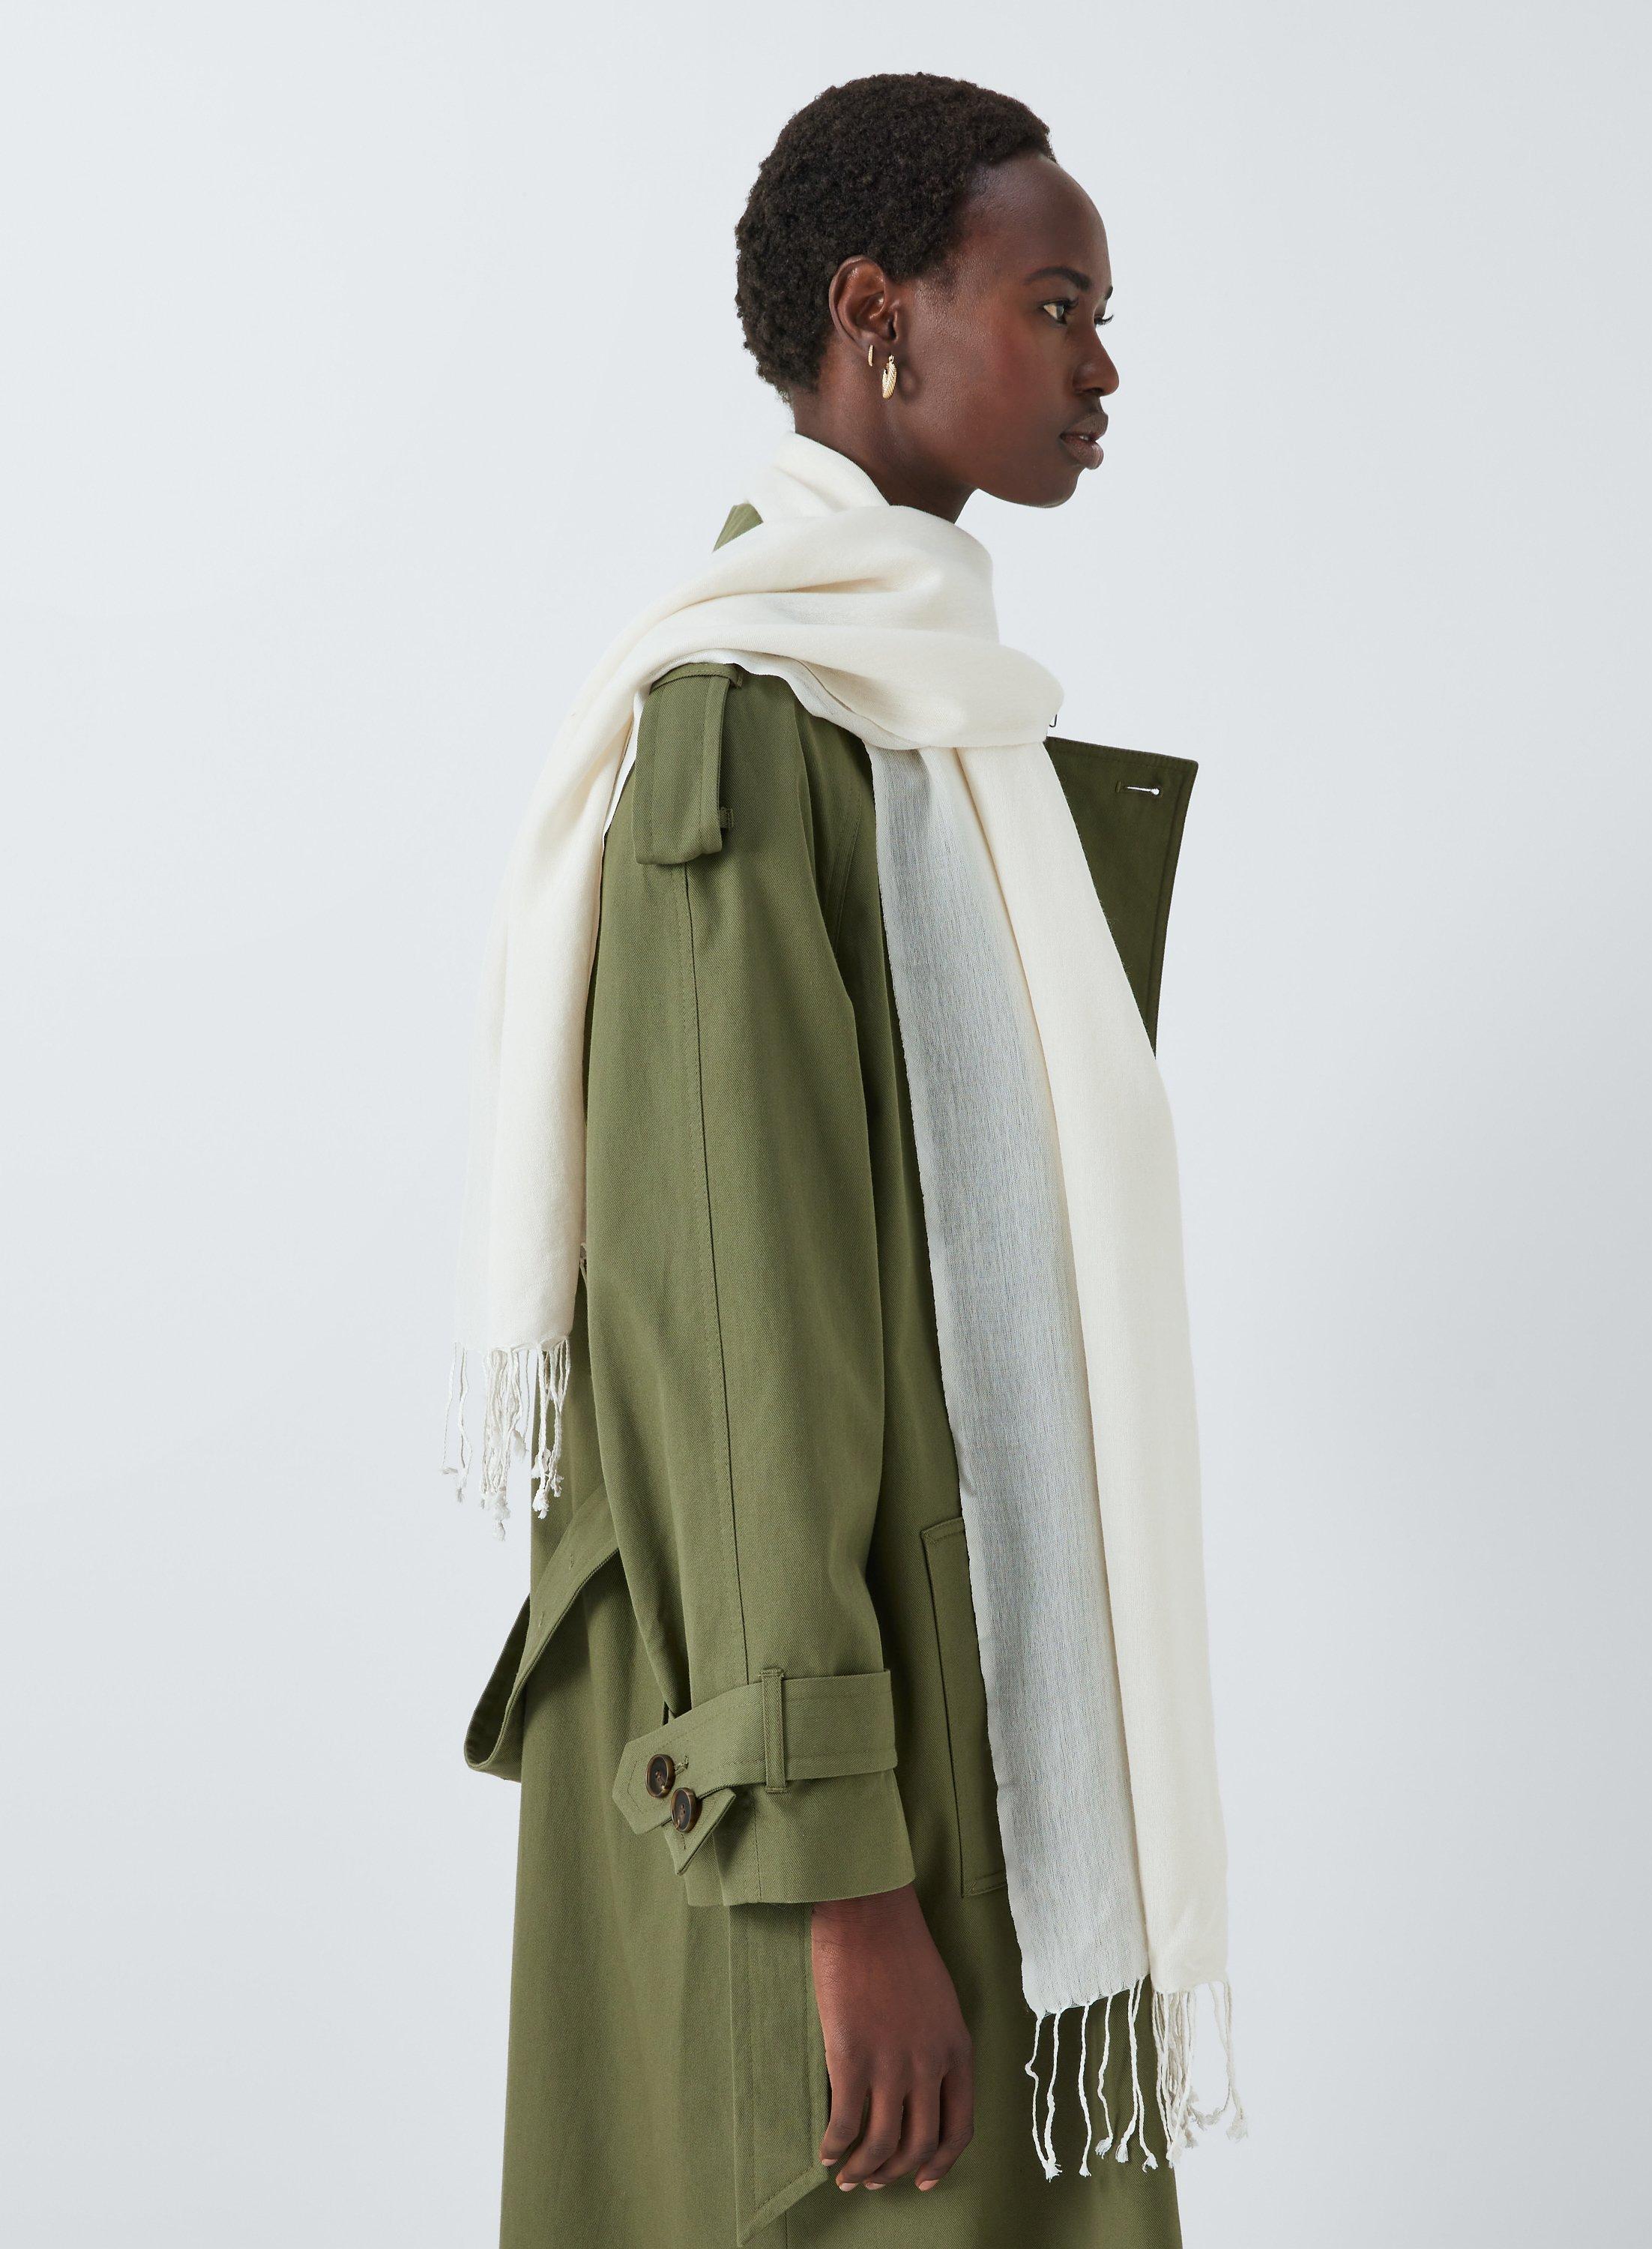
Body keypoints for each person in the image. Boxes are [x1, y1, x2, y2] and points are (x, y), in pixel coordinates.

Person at [450, 70, 1240, 2249]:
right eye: (1055, 306)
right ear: (874, 314)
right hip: (806, 1783)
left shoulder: (938, 724)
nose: (1099, 368)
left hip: (957, 1709)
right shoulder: (751, 718)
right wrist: (834, 1871)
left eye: (1103, 315)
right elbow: (729, 1332)